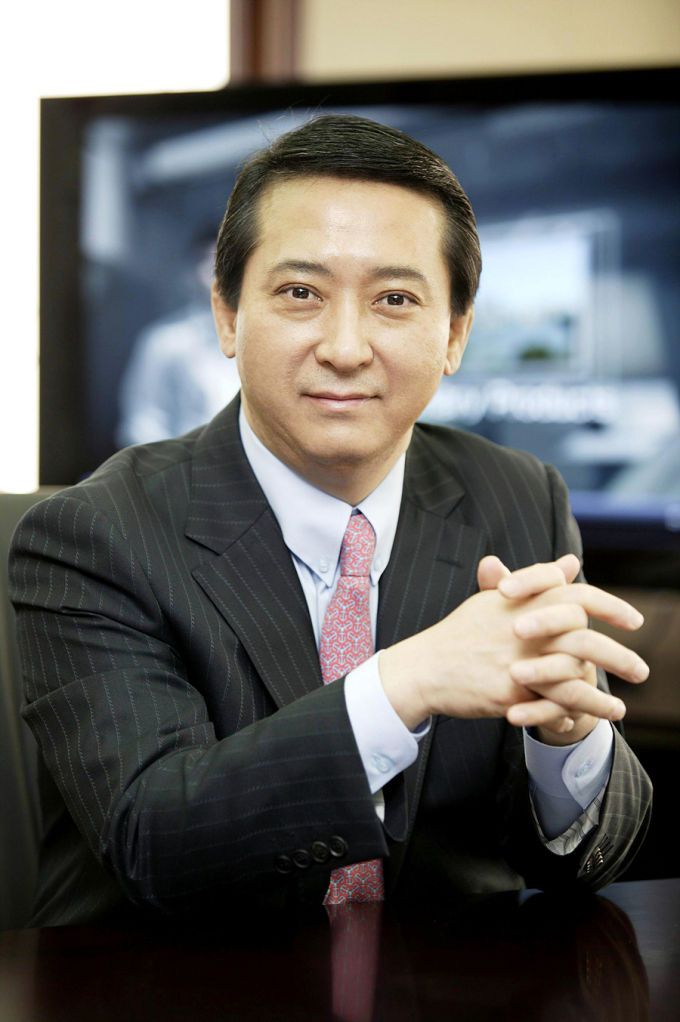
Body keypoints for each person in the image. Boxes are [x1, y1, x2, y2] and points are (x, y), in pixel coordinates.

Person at [10, 115, 652, 929]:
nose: (346, 349)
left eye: (395, 300)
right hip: (172, 983)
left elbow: (592, 859)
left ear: (455, 335)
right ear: (227, 317)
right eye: (301, 294)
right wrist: (403, 685)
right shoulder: (94, 534)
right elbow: (151, 839)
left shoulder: (519, 496)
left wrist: (563, 742)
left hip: (442, 984)